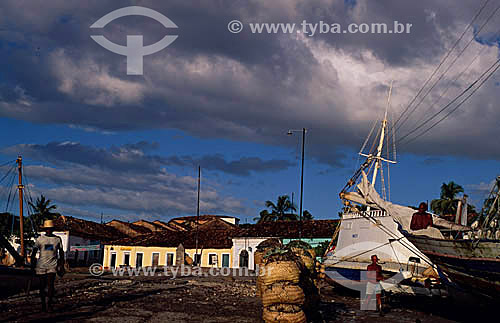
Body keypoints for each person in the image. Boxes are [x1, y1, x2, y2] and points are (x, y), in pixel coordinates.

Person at [30, 219, 64, 312]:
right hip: (41, 266)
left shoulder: (57, 239)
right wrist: (32, 266)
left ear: (53, 229)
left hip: (52, 266)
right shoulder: (40, 239)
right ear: (45, 229)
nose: (49, 230)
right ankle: (43, 304)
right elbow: (33, 252)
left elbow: (61, 252)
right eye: (47, 229)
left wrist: (62, 265)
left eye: (50, 228)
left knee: (50, 285)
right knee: (42, 286)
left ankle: (49, 304)